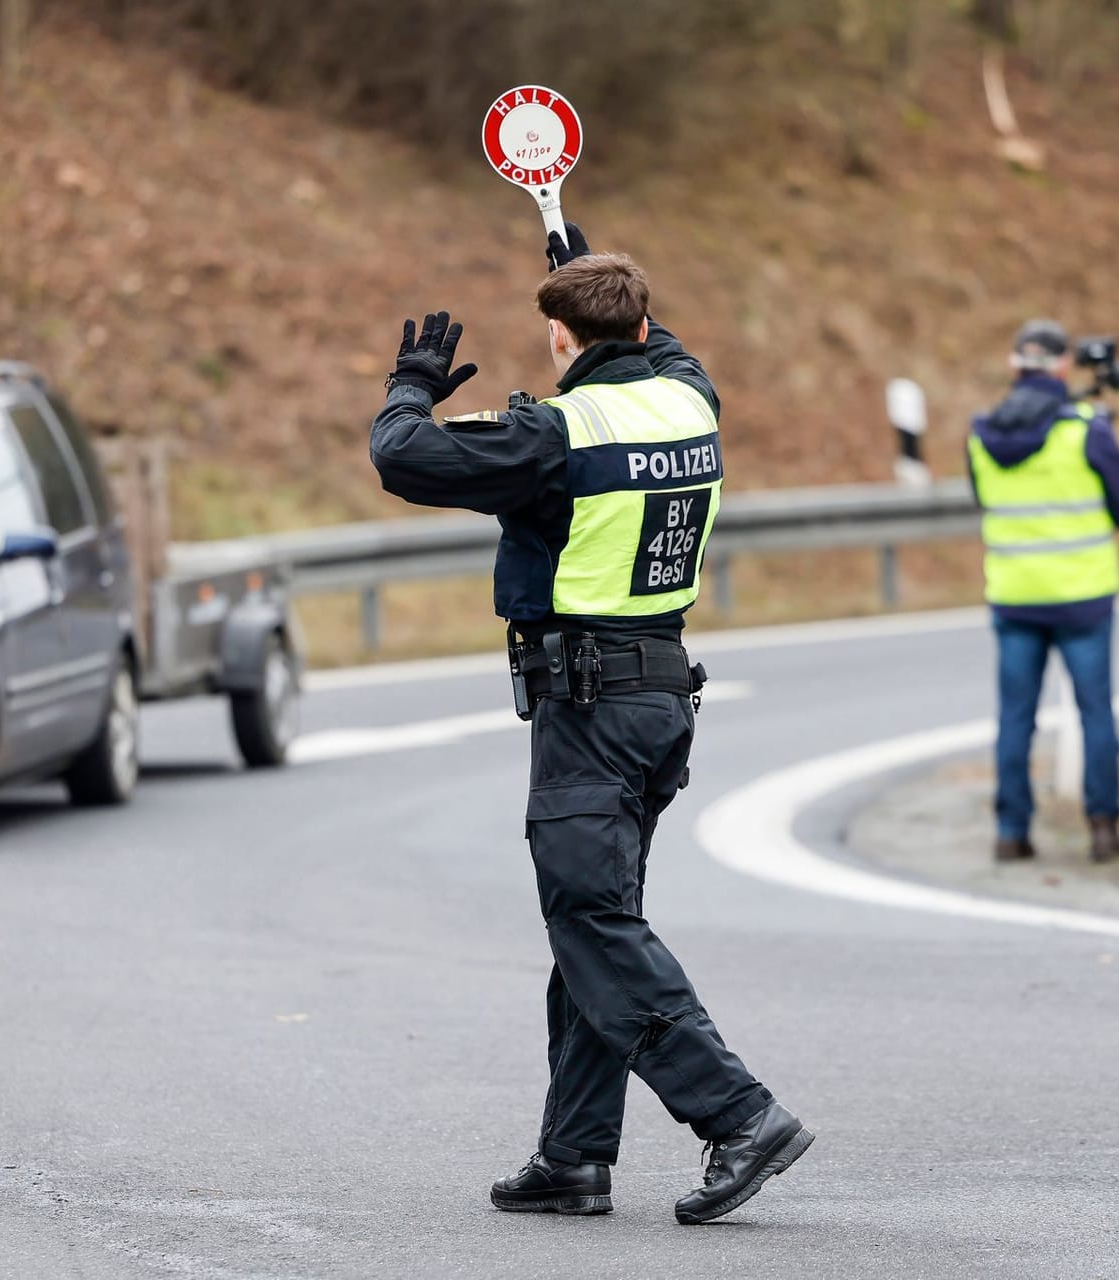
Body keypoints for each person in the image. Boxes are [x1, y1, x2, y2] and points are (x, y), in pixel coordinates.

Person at [369, 224, 813, 1225]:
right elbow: (660, 341)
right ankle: (574, 1155)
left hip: (587, 705)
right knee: (595, 918)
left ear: (563, 341)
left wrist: (412, 382)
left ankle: (738, 1114)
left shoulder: (556, 433)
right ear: (645, 323)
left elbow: (402, 456)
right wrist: (587, 268)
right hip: (661, 698)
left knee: (591, 919)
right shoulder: (689, 398)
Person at [968, 319, 1119, 863]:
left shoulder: (981, 433)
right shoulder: (1086, 429)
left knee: (1016, 718)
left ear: (1013, 365)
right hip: (1084, 598)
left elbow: (985, 502)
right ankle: (1102, 829)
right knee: (1095, 713)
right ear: (1064, 367)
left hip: (1015, 595)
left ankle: (1011, 833)